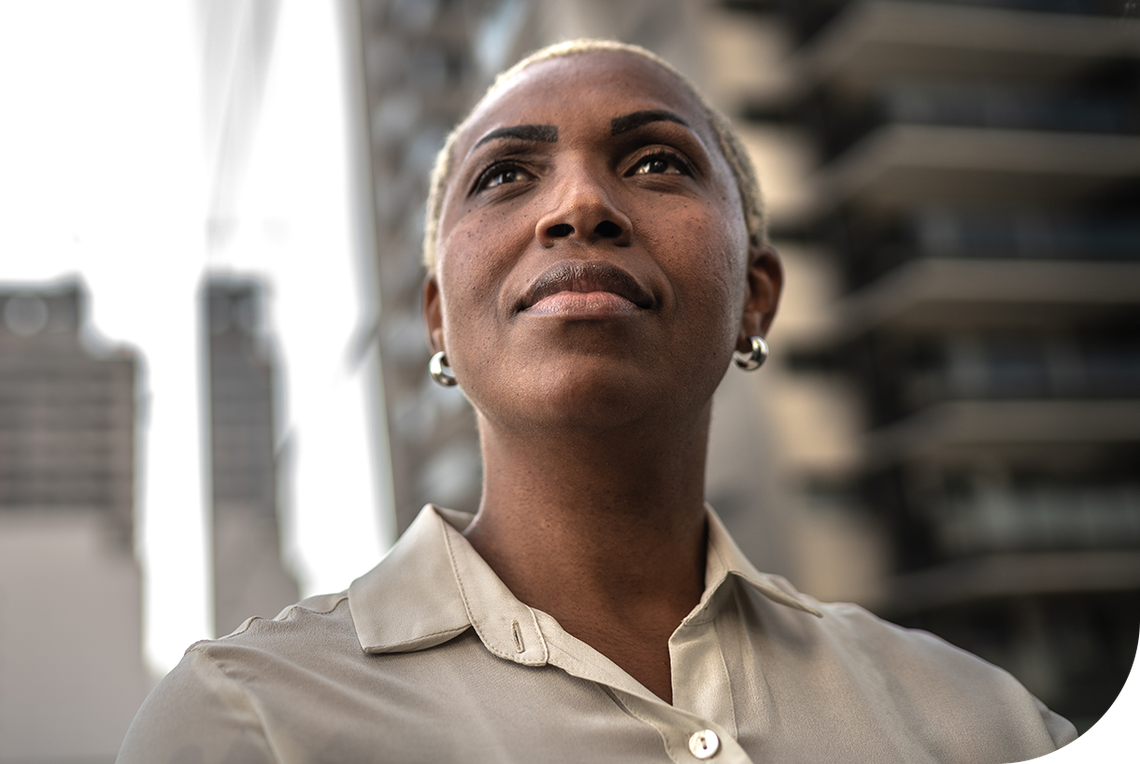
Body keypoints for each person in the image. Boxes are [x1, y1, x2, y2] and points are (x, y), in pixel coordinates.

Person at [118, 40, 1078, 763]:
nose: (578, 204)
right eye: (505, 175)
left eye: (657, 161)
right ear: (437, 322)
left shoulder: (983, 722)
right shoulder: (245, 721)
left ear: (755, 293)